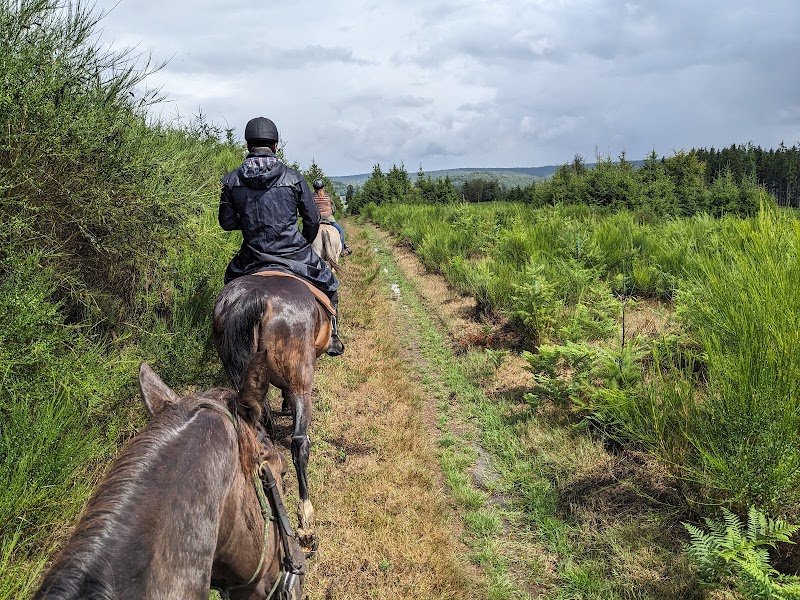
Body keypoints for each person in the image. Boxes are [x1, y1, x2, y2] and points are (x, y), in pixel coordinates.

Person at [218, 116, 343, 355]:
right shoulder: (293, 177)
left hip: (251, 257)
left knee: (229, 286)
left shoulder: (231, 180)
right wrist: (304, 243)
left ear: (247, 145)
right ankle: (333, 335)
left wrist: (249, 222)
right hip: (293, 253)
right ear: (275, 145)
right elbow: (312, 220)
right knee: (329, 282)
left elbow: (226, 222)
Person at [312, 179, 351, 256]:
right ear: (323, 187)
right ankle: (342, 250)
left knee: (305, 234)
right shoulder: (328, 196)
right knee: (340, 231)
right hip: (329, 219)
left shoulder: (311, 197)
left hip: (316, 220)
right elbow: (333, 209)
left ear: (314, 188)